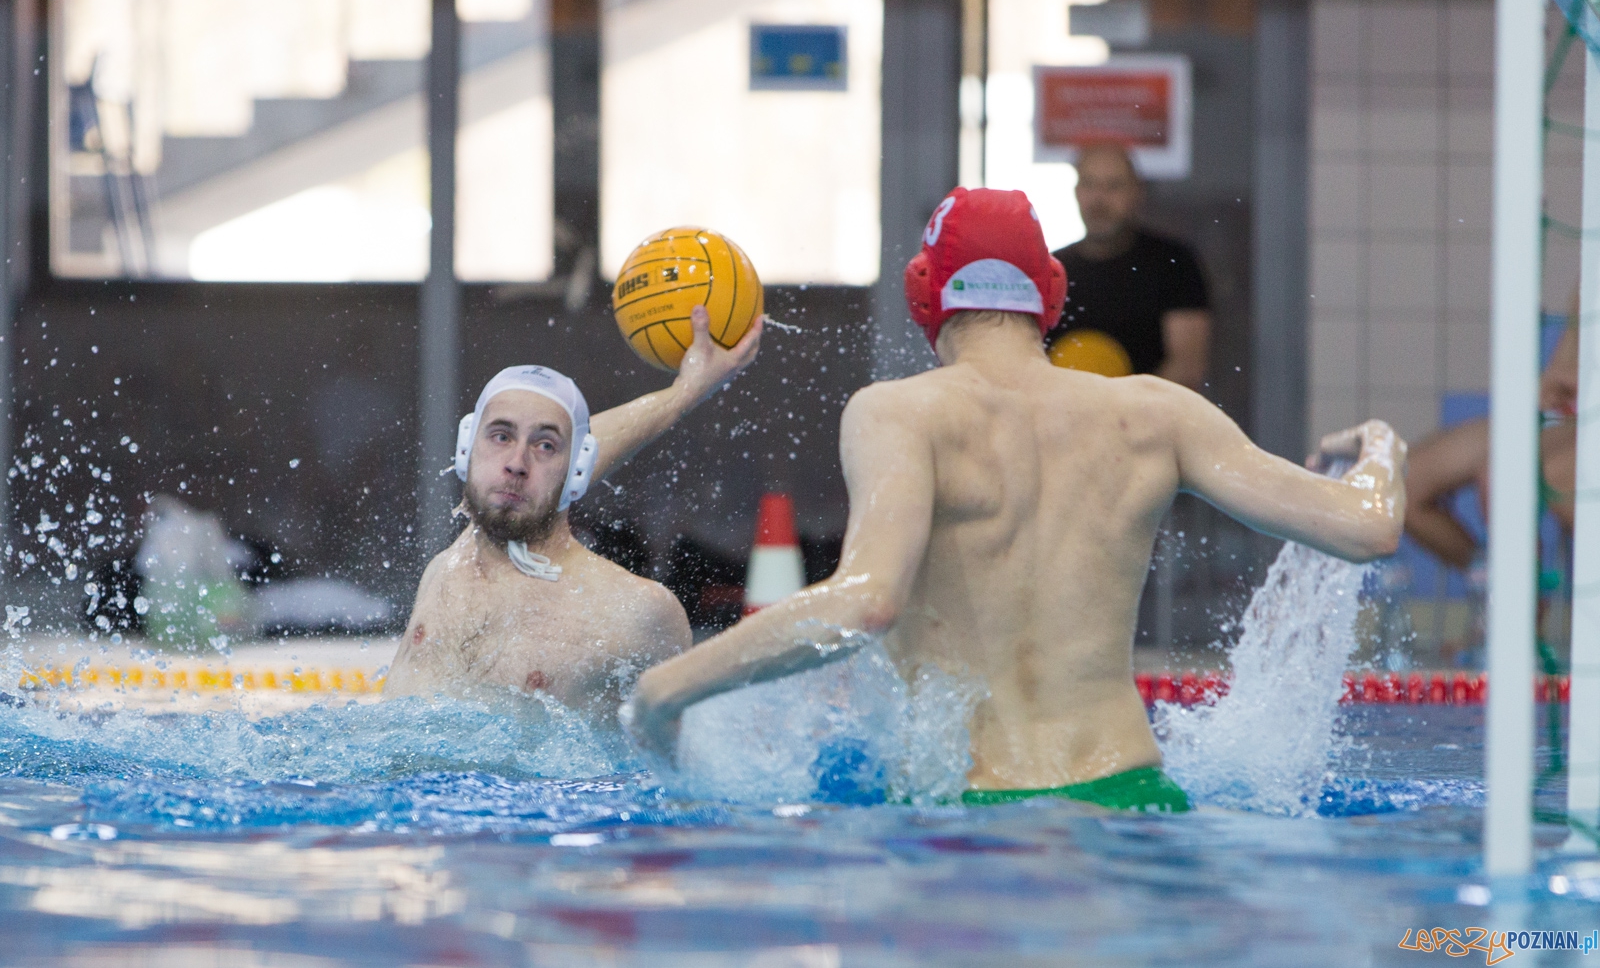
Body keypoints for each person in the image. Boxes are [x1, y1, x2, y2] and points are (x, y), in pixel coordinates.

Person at [624, 187, 1404, 812]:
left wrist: (667, 688)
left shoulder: (900, 411)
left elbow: (866, 601)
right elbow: (1369, 527)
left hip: (971, 815)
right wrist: (1381, 451)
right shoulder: (1157, 413)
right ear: (1052, 293)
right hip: (1131, 798)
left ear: (924, 292)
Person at [383, 307, 761, 725]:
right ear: (466, 450)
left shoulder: (636, 611)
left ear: (577, 469)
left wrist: (688, 393)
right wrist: (683, 391)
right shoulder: (448, 566)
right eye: (501, 436)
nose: (516, 462)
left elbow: (678, 772)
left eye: (546, 446)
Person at [1405, 286, 1579, 569]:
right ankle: (1499, 589)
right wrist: (1551, 384)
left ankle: (1540, 600)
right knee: (1406, 481)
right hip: (1573, 416)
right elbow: (1565, 367)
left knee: (1525, 473)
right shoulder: (1591, 273)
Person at [1046, 143, 1211, 390]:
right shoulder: (1051, 271)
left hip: (1147, 424)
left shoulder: (1173, 264)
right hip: (1060, 422)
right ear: (1076, 191)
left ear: (1136, 192)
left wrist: (1121, 417)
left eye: (1113, 186)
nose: (1099, 199)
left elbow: (1187, 368)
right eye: (1089, 184)